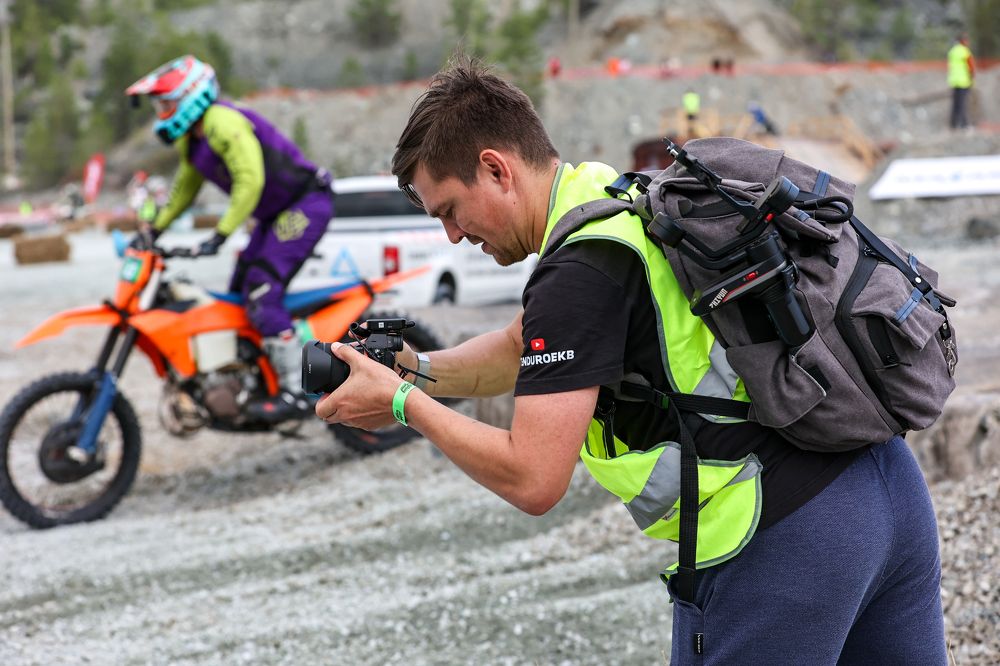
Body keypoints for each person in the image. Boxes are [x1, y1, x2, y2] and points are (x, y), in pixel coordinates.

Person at [315, 57, 947, 664]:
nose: (452, 235)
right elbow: (520, 349)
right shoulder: (612, 197)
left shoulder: (577, 272)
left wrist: (402, 405)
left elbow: (534, 479)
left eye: (450, 210)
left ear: (496, 169)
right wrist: (414, 370)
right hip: (886, 487)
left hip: (786, 531)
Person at [126, 55, 335, 422]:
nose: (161, 114)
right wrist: (154, 229)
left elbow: (249, 180)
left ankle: (297, 391)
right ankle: (253, 377)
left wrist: (220, 234)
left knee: (261, 290)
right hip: (274, 215)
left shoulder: (222, 122)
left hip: (305, 203)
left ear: (191, 96)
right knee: (237, 291)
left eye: (166, 104)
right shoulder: (193, 142)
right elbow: (184, 189)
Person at [947, 33, 975, 129]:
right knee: (963, 104)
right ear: (962, 41)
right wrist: (972, 77)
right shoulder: (965, 51)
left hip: (954, 81)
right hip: (963, 81)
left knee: (956, 104)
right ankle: (964, 124)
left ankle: (953, 124)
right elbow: (971, 66)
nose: (968, 42)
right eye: (966, 40)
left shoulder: (952, 51)